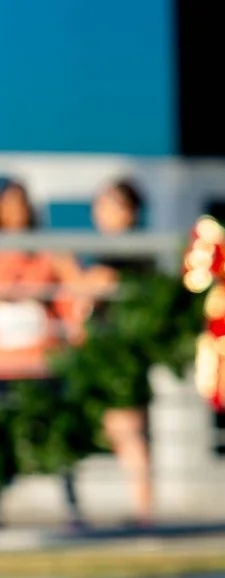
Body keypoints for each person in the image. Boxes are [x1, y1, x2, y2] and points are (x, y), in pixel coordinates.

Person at [67, 178, 155, 522]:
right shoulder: (116, 249)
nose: (99, 212)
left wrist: (63, 262)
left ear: (129, 211)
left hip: (122, 356)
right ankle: (142, 511)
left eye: (108, 204)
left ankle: (144, 515)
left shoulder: (126, 250)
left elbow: (89, 286)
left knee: (128, 431)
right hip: (115, 353)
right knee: (121, 432)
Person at [0, 179, 75, 384]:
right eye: (9, 203)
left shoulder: (48, 253)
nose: (16, 209)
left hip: (40, 358)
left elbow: (74, 292)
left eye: (20, 202)